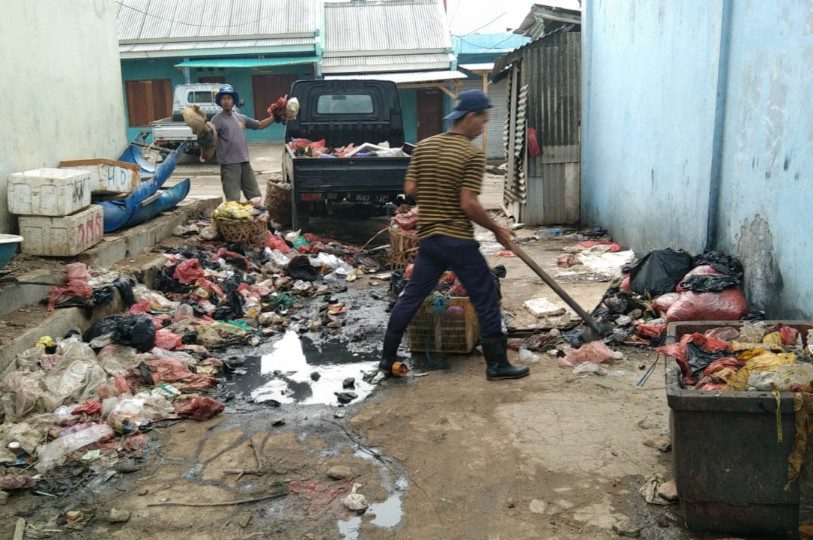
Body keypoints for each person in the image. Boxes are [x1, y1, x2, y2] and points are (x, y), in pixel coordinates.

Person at [381, 89, 530, 381]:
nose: (482, 127)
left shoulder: (424, 146)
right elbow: (468, 203)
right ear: (470, 116)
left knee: (411, 297)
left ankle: (387, 359)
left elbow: (410, 190)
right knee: (485, 294)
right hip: (457, 239)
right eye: (483, 121)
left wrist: (436, 189)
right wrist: (497, 229)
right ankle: (497, 365)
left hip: (430, 240)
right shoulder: (471, 154)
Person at [202, 85, 276, 202]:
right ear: (220, 102)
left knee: (255, 199)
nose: (226, 101)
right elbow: (212, 140)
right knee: (233, 202)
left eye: (229, 98)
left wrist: (274, 117)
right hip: (229, 165)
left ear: (233, 100)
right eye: (223, 99)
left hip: (245, 162)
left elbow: (259, 125)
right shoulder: (217, 120)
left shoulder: (241, 118)